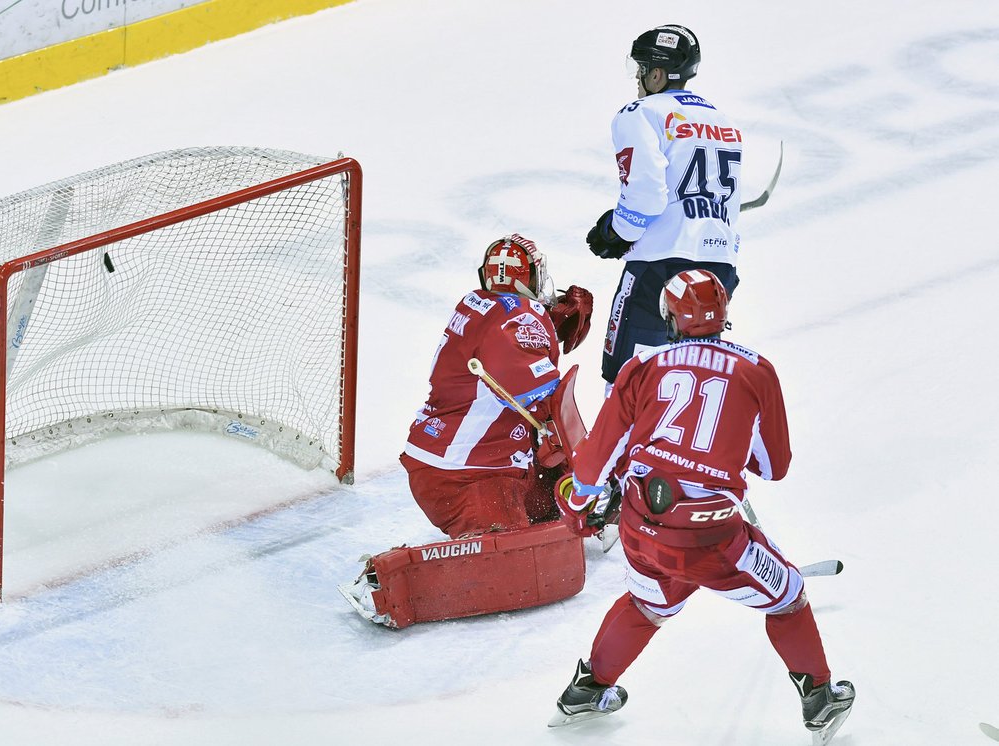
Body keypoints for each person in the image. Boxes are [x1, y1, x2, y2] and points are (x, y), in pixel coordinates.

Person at [549, 269, 854, 742]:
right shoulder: (757, 370)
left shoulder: (644, 366)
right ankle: (820, 698)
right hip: (713, 540)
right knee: (789, 597)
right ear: (724, 314)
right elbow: (773, 467)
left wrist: (580, 501)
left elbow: (593, 465)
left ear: (669, 315)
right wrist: (733, 445)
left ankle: (587, 690)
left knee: (648, 602)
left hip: (640, 529)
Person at [338, 234, 596, 629]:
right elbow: (536, 390)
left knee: (556, 492)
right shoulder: (522, 318)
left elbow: (504, 341)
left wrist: (550, 322)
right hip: (466, 478)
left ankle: (588, 505)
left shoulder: (485, 303)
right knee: (517, 562)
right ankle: (388, 579)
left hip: (458, 462)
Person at [586, 24, 743, 385]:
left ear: (656, 74)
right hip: (719, 269)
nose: (637, 79)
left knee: (627, 382)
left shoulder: (640, 113)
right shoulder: (725, 122)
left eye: (640, 69)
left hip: (659, 268)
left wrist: (616, 231)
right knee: (690, 375)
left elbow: (646, 194)